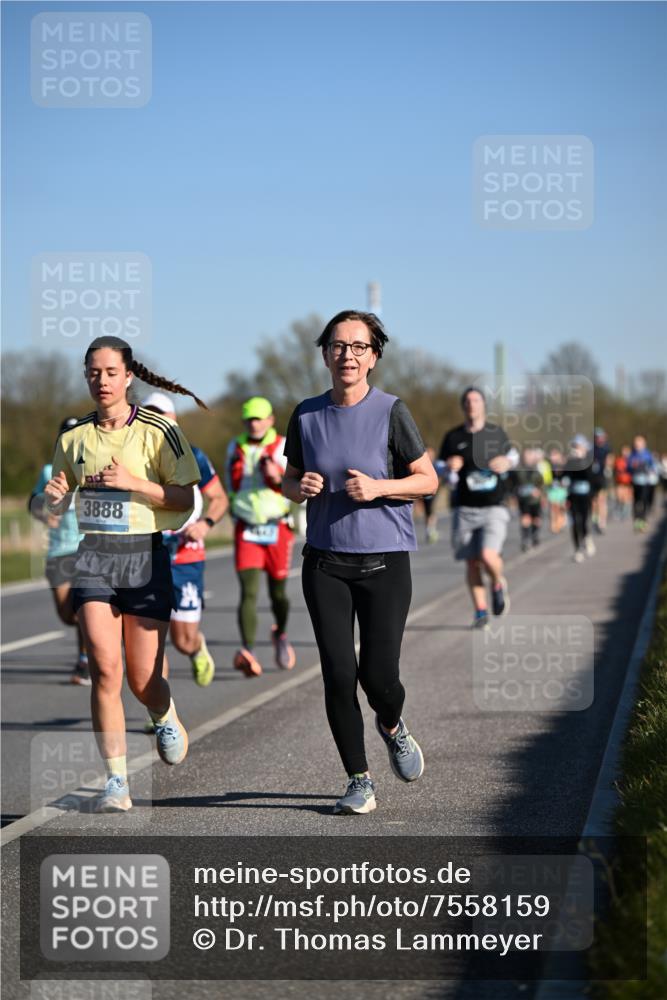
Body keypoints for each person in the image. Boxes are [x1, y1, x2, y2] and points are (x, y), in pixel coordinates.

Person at [282, 309, 437, 816]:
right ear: (325, 353)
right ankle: (358, 779)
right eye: (337, 345)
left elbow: (427, 480)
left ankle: (392, 725)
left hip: (385, 563)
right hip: (325, 563)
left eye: (358, 346)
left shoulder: (393, 411)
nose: (347, 354)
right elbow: (290, 479)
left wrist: (379, 488)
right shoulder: (305, 415)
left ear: (373, 356)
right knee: (337, 673)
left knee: (379, 677)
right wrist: (296, 488)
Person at [44, 336, 203, 813]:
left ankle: (162, 710)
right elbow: (53, 500)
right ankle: (116, 781)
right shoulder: (73, 440)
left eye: (111, 372)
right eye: (93, 372)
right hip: (93, 556)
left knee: (141, 678)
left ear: (128, 375)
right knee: (103, 669)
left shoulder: (158, 431)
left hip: (144, 557)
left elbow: (185, 500)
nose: (102, 380)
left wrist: (135, 483)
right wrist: (52, 499)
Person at [143, 392, 228, 688]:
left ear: (174, 421)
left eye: (162, 415)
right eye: (150, 415)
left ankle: (196, 647)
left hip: (186, 556)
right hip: (149, 556)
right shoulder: (134, 458)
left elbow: (219, 498)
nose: (156, 422)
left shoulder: (194, 455)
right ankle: (159, 710)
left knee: (182, 639)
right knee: (151, 640)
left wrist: (205, 524)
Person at [226, 397, 296, 676]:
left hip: (276, 527)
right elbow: (231, 484)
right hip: (246, 527)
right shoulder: (234, 445)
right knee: (249, 591)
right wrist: (234, 508)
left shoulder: (283, 446)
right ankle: (249, 652)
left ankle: (280, 632)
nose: (253, 424)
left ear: (270, 420)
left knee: (278, 593)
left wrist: (276, 476)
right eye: (249, 419)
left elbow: (293, 485)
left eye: (258, 418)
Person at [438, 387, 518, 630]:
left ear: (483, 405)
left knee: (487, 555)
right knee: (472, 562)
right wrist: (448, 466)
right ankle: (481, 612)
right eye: (468, 401)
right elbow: (437, 467)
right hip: (464, 508)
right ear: (464, 406)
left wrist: (506, 462)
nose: (472, 405)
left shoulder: (495, 433)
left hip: (494, 506)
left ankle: (497, 582)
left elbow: (513, 457)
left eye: (476, 400)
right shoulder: (453, 437)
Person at [29, 417, 89, 685]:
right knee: (68, 615)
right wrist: (44, 515)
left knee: (84, 609)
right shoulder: (48, 471)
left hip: (87, 548)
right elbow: (33, 501)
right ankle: (103, 637)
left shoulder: (92, 469)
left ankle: (85, 660)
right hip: (58, 550)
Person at [561, 435, 596, 562]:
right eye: (575, 446)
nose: (577, 449)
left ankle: (586, 537)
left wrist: (582, 461)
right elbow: (564, 476)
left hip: (586, 496)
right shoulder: (570, 461)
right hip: (573, 495)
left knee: (584, 520)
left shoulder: (589, 460)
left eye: (579, 446)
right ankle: (577, 549)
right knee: (575, 522)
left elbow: (590, 477)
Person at [509, 447, 544, 552]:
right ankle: (525, 539)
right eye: (526, 456)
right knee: (525, 518)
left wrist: (539, 491)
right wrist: (514, 494)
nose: (528, 458)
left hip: (535, 500)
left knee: (536, 519)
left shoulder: (537, 469)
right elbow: (512, 484)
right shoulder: (518, 470)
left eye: (530, 455)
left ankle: (535, 536)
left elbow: (542, 483)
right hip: (524, 499)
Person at [627, 435, 656, 532]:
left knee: (644, 501)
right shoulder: (632, 454)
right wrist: (632, 466)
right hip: (635, 481)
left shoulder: (647, 454)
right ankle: (636, 519)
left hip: (645, 482)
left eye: (639, 443)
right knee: (636, 501)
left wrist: (648, 469)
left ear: (644, 444)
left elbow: (652, 467)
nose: (637, 445)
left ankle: (643, 520)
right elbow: (628, 467)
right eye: (636, 443)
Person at [591, 428, 611, 534]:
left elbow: (609, 459)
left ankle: (602, 522)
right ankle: (594, 518)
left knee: (602, 500)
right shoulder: (592, 448)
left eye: (601, 437)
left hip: (602, 477)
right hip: (593, 478)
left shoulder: (606, 448)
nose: (599, 439)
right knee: (593, 501)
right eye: (597, 437)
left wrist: (608, 468)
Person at [546, 447, 568, 534]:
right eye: (552, 455)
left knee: (561, 507)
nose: (553, 457)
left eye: (555, 455)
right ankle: (554, 524)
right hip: (552, 490)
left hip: (562, 490)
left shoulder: (564, 465)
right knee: (553, 507)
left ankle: (561, 520)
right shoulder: (548, 466)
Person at [613, 445, 633, 521]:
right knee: (619, 497)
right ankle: (620, 509)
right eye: (624, 451)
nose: (625, 453)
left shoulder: (631, 460)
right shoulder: (619, 460)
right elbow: (615, 470)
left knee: (626, 498)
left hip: (628, 482)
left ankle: (625, 512)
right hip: (620, 482)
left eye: (627, 451)